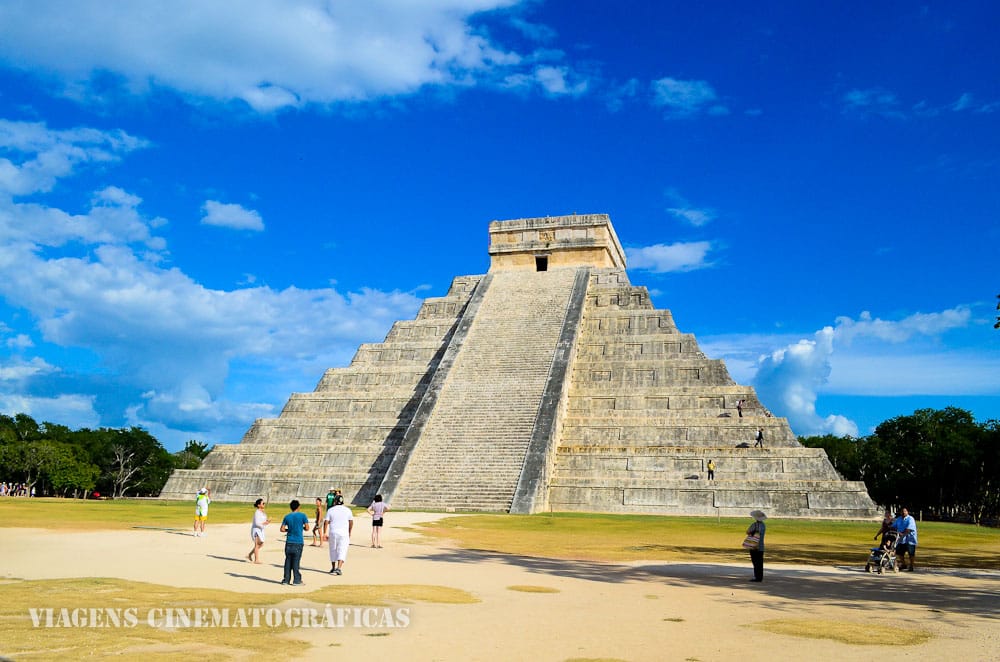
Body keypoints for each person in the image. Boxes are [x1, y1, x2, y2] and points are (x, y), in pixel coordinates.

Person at [279, 499, 310, 585]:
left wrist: (288, 530)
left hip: (289, 541)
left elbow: (282, 529)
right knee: (296, 562)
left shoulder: (287, 516)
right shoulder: (303, 516)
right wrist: (301, 528)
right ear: (298, 507)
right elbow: (307, 528)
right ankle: (297, 580)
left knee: (288, 561)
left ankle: (286, 579)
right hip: (298, 541)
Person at [324, 494, 354, 575]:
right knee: (342, 549)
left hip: (333, 532)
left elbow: (326, 522)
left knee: (333, 549)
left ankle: (333, 567)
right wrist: (349, 531)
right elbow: (351, 522)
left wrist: (324, 533)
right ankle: (339, 567)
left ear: (335, 501)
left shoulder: (331, 510)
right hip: (344, 533)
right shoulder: (348, 510)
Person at [893, 507, 918, 571]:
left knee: (911, 554)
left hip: (910, 539)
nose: (903, 512)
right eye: (902, 511)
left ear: (907, 512)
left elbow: (909, 529)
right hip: (901, 540)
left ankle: (911, 566)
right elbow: (893, 526)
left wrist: (902, 533)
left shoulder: (910, 519)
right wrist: (888, 526)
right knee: (900, 553)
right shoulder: (898, 519)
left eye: (905, 511)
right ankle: (904, 564)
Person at [746, 509, 767, 582]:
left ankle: (756, 576)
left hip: (754, 545)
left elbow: (748, 531)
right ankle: (759, 577)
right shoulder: (763, 525)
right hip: (761, 546)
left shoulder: (754, 525)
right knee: (760, 562)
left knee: (755, 561)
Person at [247, 498, 269, 563]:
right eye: (263, 503)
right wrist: (263, 525)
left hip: (261, 530)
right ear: (259, 505)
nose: (264, 504)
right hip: (256, 530)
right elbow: (257, 523)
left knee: (261, 544)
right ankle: (256, 560)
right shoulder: (257, 512)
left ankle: (249, 554)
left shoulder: (263, 512)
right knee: (257, 544)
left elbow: (263, 521)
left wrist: (267, 522)